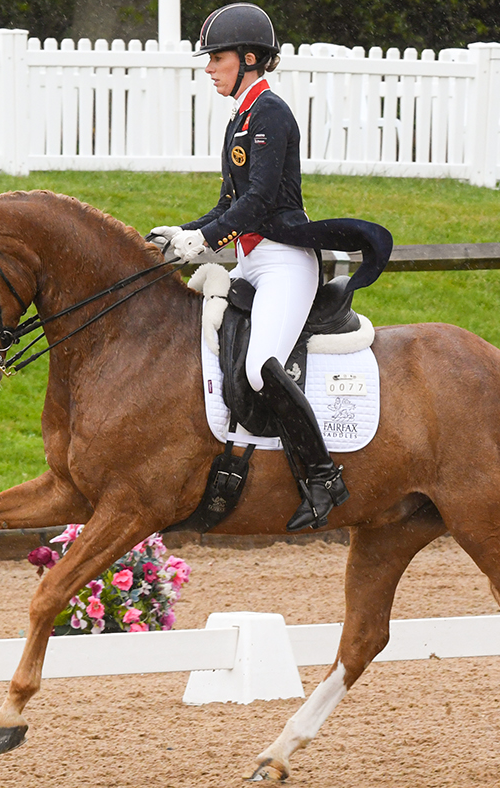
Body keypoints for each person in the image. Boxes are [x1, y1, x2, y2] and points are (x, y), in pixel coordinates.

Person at [148, 3, 348, 532]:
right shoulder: (240, 117)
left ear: (250, 59)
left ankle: (324, 475)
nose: (209, 67)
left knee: (262, 367)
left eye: (217, 57)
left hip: (284, 260)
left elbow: (257, 202)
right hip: (253, 259)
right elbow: (226, 204)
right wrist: (181, 234)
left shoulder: (271, 113)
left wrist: (206, 239)